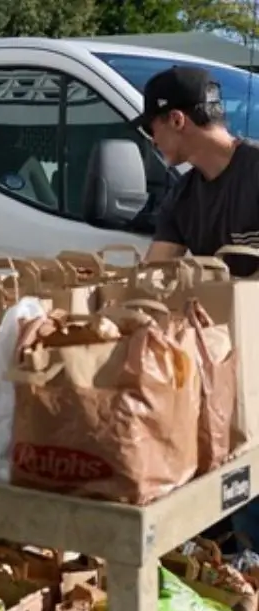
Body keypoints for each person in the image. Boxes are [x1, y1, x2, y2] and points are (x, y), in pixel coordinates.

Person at [136, 65, 259, 548]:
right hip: (224, 368)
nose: (153, 139)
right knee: (238, 496)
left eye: (153, 127)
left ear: (178, 121)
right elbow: (152, 277)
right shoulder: (183, 196)